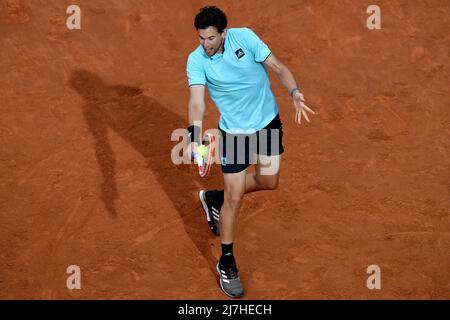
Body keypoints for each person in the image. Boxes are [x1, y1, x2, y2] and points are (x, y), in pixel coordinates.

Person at [185, 6, 315, 298]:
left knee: (269, 181)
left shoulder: (244, 38)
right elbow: (197, 102)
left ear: (224, 33)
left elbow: (279, 67)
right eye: (201, 38)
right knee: (236, 199)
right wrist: (194, 135)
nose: (205, 44)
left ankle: (213, 197)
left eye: (211, 39)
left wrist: (294, 92)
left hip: (267, 123)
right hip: (233, 134)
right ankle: (227, 261)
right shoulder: (196, 61)